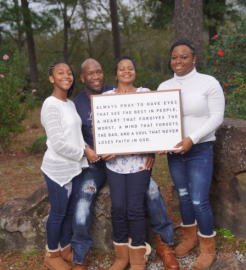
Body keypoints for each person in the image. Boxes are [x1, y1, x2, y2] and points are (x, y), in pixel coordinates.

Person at [71, 58, 179, 270]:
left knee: (140, 205)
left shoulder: (144, 94)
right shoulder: (104, 99)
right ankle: (120, 256)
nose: (127, 71)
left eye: (130, 68)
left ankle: (144, 254)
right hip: (112, 165)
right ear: (116, 73)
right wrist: (99, 137)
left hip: (139, 163)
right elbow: (91, 132)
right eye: (122, 68)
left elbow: (154, 125)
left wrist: (152, 151)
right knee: (118, 208)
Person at [157, 39, 225, 270]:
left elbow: (217, 117)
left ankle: (207, 248)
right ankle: (189, 238)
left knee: (198, 200)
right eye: (174, 57)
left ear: (194, 58)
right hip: (174, 153)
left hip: (200, 150)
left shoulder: (209, 83)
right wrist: (158, 140)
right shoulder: (164, 87)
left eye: (184, 57)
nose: (178, 61)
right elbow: (157, 120)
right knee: (184, 196)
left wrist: (191, 139)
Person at [41, 61, 98, 270]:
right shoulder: (51, 104)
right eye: (60, 72)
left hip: (75, 167)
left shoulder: (70, 103)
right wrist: (85, 151)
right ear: (52, 78)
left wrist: (85, 147)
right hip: (58, 169)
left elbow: (75, 136)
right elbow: (57, 144)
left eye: (69, 72)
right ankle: (51, 253)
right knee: (58, 212)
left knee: (70, 210)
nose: (67, 76)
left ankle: (65, 247)